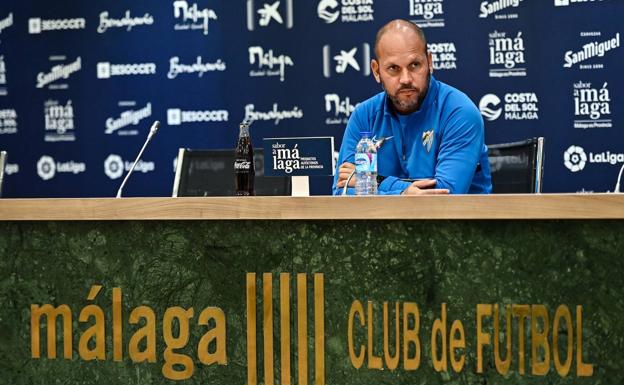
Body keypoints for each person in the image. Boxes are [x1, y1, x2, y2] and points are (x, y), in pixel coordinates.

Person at [333, 19, 492, 195]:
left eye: (414, 65)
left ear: (429, 62)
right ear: (376, 71)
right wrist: (403, 193)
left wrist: (374, 182)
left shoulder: (459, 112)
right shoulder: (364, 116)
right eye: (393, 68)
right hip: (380, 222)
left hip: (457, 222)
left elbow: (445, 194)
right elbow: (342, 190)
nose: (406, 79)